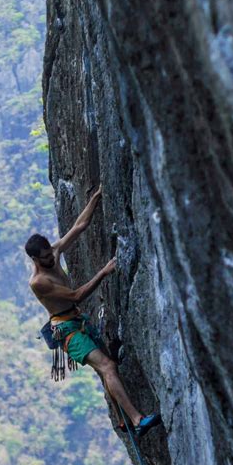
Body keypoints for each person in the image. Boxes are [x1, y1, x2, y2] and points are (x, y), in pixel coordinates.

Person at [25, 185, 161, 439]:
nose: (51, 259)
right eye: (44, 258)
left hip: (77, 322)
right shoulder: (39, 281)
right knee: (108, 366)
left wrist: (96, 198)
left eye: (49, 253)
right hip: (66, 331)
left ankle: (123, 420)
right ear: (35, 259)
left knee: (106, 369)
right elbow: (76, 295)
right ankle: (137, 420)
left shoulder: (52, 253)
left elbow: (79, 227)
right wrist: (104, 271)